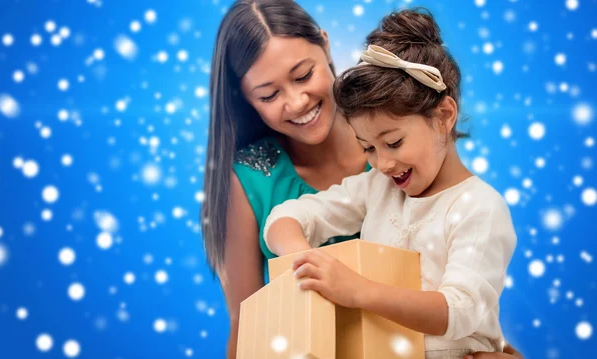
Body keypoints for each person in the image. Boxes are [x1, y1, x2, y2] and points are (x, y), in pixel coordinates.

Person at [201, 1, 524, 358]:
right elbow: (246, 323)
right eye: (270, 94)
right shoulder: (376, 184)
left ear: (325, 45)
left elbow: (466, 306)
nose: (296, 101)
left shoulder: (414, 172)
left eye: (303, 75)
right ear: (246, 99)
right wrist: (308, 261)